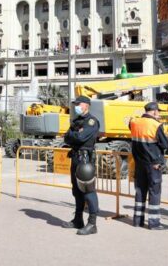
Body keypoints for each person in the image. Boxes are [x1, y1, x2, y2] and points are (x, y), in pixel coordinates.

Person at [128, 101, 168, 230]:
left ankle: (137, 220)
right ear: (155, 111)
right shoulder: (156, 125)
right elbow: (165, 145)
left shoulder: (134, 122)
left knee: (140, 190)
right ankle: (154, 223)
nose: (159, 114)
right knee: (154, 192)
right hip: (153, 164)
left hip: (139, 163)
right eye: (158, 112)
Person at [62, 96, 100, 235]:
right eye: (75, 104)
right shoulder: (76, 121)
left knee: (88, 191)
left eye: (79, 104)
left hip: (85, 160)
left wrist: (74, 135)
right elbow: (66, 138)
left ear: (87, 105)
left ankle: (92, 224)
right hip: (75, 157)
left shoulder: (91, 121)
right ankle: (78, 220)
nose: (76, 106)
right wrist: (74, 134)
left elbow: (80, 137)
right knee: (76, 191)